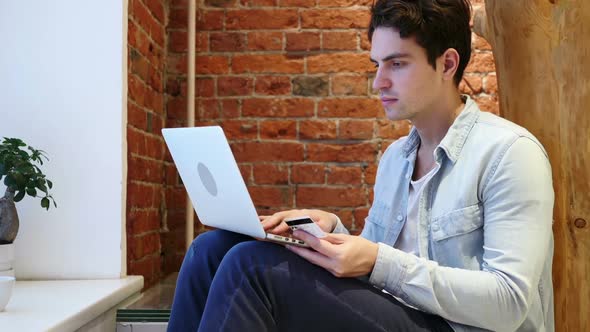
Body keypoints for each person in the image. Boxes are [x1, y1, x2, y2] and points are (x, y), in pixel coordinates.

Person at [167, 0, 555, 331]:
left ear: (447, 63)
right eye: (376, 65)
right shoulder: (395, 160)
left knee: (251, 267)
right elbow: (375, 264)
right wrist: (329, 233)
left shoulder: (509, 152)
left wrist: (377, 260)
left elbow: (509, 302)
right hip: (402, 316)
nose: (378, 83)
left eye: (397, 64)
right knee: (212, 249)